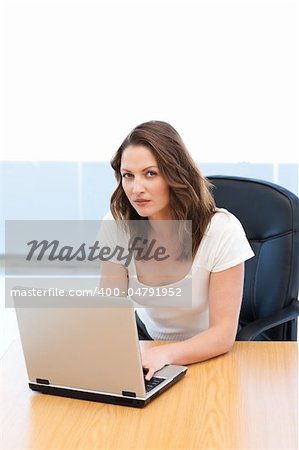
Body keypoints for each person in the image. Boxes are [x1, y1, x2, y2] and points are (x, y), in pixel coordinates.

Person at [99, 120, 254, 381]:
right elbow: (108, 309)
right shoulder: (117, 226)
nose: (136, 189)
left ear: (175, 174)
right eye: (128, 175)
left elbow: (223, 334)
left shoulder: (221, 230)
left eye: (150, 173)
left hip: (209, 356)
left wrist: (166, 355)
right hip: (148, 348)